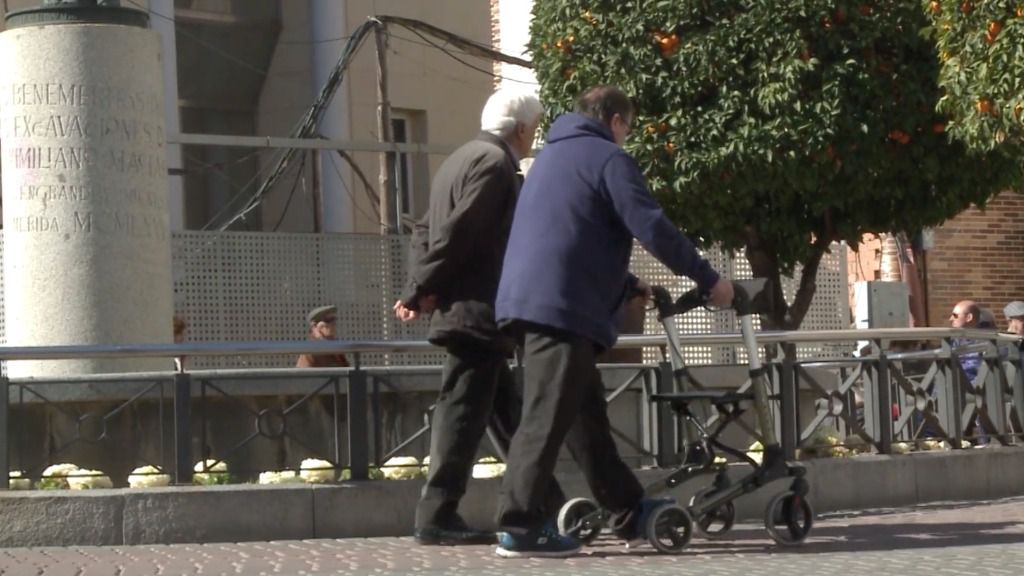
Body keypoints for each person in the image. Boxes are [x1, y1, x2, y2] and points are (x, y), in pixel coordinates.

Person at [492, 85, 733, 558]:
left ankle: (627, 509)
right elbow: (651, 226)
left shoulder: (552, 159)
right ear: (617, 121)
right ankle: (517, 525)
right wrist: (709, 279)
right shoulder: (607, 158)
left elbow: (572, 236)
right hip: (562, 309)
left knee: (586, 420)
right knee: (544, 418)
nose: (627, 137)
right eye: (628, 128)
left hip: (534, 302)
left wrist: (625, 286)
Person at [394, 88, 565, 546]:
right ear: (523, 129)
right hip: (478, 313)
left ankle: (551, 504)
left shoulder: (460, 158)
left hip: (466, 311)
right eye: (535, 129)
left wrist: (427, 285)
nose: (534, 139)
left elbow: (425, 231)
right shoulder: (494, 166)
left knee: (505, 413)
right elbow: (459, 233)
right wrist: (421, 289)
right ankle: (437, 515)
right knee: (462, 413)